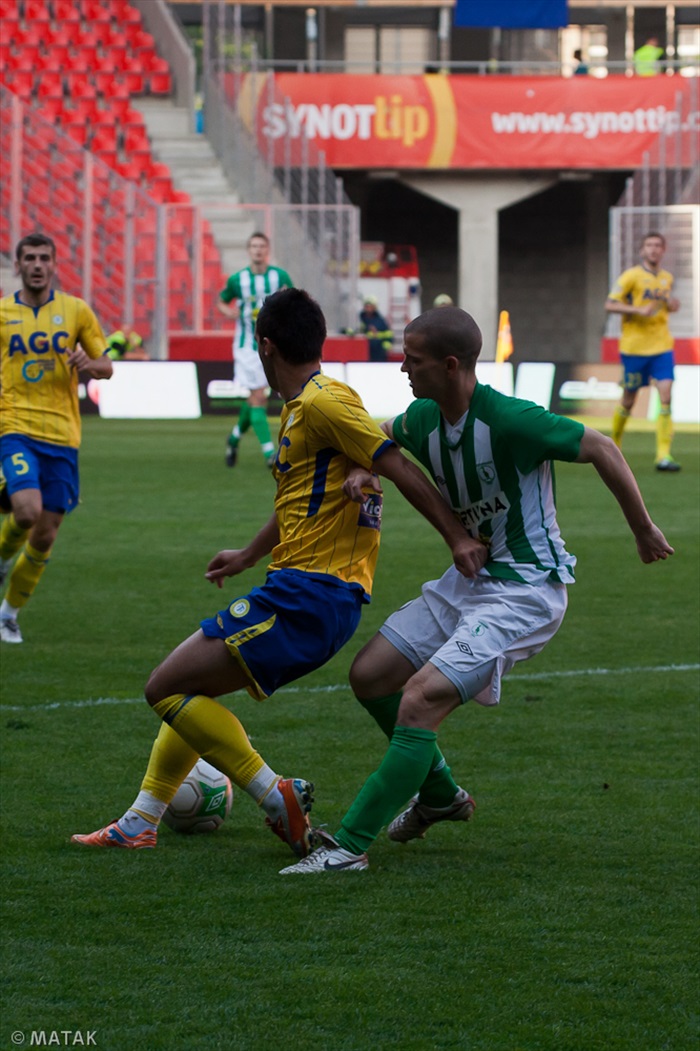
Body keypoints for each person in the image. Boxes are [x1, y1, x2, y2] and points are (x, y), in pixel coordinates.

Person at [72, 289, 484, 856]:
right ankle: (141, 819)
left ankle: (275, 796)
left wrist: (456, 535)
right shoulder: (304, 406)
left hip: (312, 596)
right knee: (187, 684)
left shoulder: (322, 402)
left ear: (264, 346)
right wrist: (247, 554)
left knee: (164, 687)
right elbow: (305, 498)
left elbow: (391, 459)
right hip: (298, 589)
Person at [279, 305, 674, 874]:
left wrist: (643, 528)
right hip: (467, 582)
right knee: (370, 676)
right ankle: (440, 796)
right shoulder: (422, 419)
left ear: (451, 364)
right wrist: (366, 471)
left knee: (418, 701)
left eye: (412, 361)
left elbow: (602, 449)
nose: (403, 370)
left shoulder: (511, 419)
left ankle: (347, 848)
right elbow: (384, 437)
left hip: (526, 591)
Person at [0, 234, 113, 645]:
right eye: (28, 258)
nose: (36, 264)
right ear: (18, 265)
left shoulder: (76, 311)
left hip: (63, 437)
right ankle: (1, 557)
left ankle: (8, 614)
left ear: (53, 265)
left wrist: (89, 362)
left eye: (43, 258)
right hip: (15, 428)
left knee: (45, 534)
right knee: (26, 512)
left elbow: (107, 366)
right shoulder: (2, 313)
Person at [605, 231, 681, 472]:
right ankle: (613, 446)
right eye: (649, 245)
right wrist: (638, 311)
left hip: (662, 347)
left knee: (666, 395)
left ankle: (663, 455)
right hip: (634, 348)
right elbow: (610, 304)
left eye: (658, 245)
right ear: (642, 250)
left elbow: (663, 306)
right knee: (629, 400)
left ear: (663, 250)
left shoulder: (667, 279)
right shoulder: (631, 276)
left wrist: (671, 305)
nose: (654, 249)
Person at [217, 232, 293, 469]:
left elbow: (292, 300)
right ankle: (270, 453)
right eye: (254, 246)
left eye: (261, 246)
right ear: (249, 250)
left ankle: (233, 438)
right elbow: (222, 300)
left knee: (256, 399)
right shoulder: (238, 280)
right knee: (259, 396)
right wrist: (229, 312)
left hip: (271, 345)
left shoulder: (279, 276)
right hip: (246, 347)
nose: (258, 250)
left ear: (266, 250)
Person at [359, 295, 393, 363]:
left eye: (370, 306)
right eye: (367, 306)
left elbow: (389, 335)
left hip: (378, 353)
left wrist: (384, 348)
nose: (368, 308)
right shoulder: (361, 319)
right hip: (362, 352)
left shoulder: (380, 321)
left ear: (374, 307)